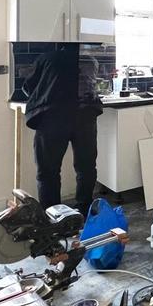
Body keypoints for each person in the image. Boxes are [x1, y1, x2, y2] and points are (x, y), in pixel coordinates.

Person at [24, 44, 103, 212]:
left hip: (53, 117)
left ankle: (52, 214)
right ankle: (84, 209)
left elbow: (30, 86)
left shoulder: (47, 58)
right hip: (85, 116)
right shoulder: (90, 61)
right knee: (86, 166)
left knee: (48, 170)